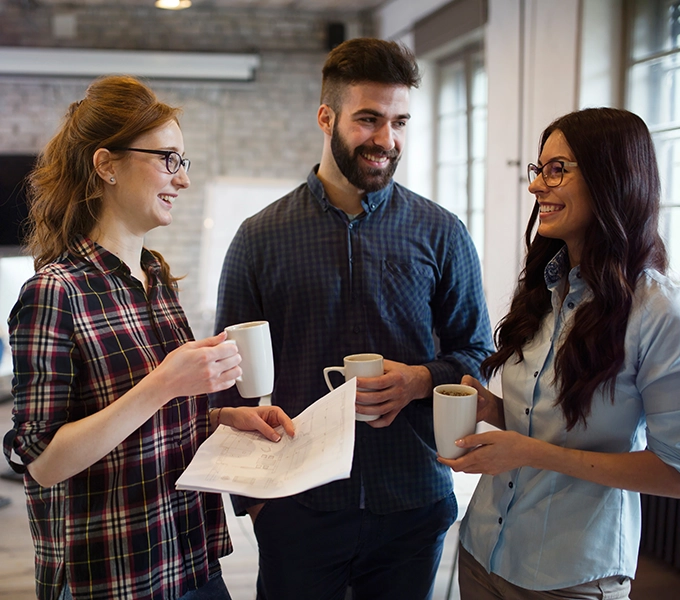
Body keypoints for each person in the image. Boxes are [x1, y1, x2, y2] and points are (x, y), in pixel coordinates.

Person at [213, 37, 493, 600]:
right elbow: (230, 375)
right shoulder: (259, 237)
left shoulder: (442, 232)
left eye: (399, 122)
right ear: (326, 116)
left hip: (412, 501)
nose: (386, 140)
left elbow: (477, 353)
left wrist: (419, 380)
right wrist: (256, 502)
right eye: (369, 119)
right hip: (295, 503)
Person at [2, 75, 295, 600]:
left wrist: (222, 418)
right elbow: (44, 462)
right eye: (168, 159)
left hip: (189, 556)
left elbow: (142, 422)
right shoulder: (54, 292)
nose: (181, 180)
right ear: (106, 164)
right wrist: (165, 383)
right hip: (115, 576)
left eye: (183, 162)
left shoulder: (154, 277)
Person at [439, 107, 680, 600]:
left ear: (612, 178)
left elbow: (676, 474)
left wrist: (532, 453)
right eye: (539, 169)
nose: (535, 187)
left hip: (571, 574)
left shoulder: (658, 312)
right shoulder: (544, 288)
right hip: (484, 549)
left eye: (557, 170)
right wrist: (497, 413)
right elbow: (546, 421)